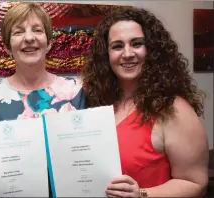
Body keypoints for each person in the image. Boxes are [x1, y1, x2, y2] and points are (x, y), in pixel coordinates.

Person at [82, 7, 209, 197]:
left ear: (151, 50)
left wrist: (141, 194)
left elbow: (195, 183)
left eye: (137, 44)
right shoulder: (96, 103)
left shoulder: (174, 109)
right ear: (106, 56)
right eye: (117, 46)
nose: (127, 53)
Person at [0, 2, 84, 123]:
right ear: (7, 47)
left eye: (37, 30)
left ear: (49, 43)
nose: (29, 38)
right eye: (18, 32)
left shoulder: (76, 91)